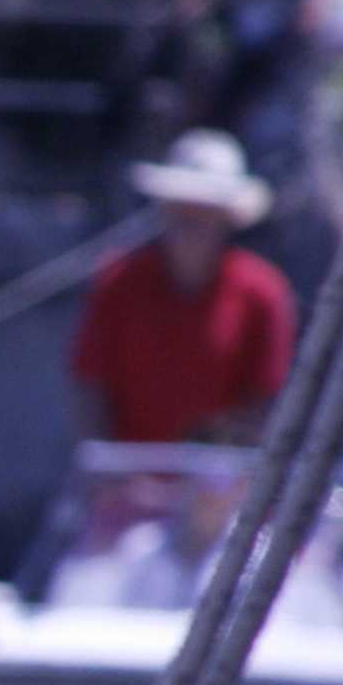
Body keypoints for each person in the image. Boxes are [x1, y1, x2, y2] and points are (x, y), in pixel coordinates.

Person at [67, 129, 296, 450]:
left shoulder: (263, 291)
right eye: (182, 207)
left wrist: (223, 476)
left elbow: (266, 402)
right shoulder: (117, 281)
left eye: (205, 209)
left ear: (227, 219)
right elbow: (90, 387)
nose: (192, 221)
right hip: (126, 481)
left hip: (222, 482)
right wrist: (108, 475)